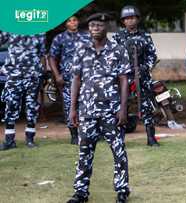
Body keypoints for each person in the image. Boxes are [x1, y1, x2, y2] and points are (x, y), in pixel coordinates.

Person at [66, 13, 131, 203]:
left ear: (106, 28)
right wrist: (72, 109)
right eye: (92, 25)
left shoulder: (118, 50)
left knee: (118, 151)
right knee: (84, 151)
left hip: (111, 110)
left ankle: (122, 190)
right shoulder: (81, 50)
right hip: (87, 110)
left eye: (99, 25)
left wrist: (123, 108)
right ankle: (80, 192)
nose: (95, 28)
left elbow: (124, 80)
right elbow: (76, 79)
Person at [112, 5, 159, 147]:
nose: (130, 21)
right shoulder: (117, 37)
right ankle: (119, 139)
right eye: (127, 19)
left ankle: (151, 138)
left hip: (142, 75)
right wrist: (120, 70)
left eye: (132, 18)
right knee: (121, 106)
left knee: (146, 107)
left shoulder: (145, 36)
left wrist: (145, 68)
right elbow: (112, 56)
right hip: (123, 77)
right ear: (123, 21)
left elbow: (152, 55)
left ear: (137, 19)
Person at [0, 31, 46, 150]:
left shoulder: (39, 31)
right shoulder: (9, 28)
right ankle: (9, 140)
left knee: (31, 107)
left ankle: (30, 139)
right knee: (11, 106)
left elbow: (42, 54)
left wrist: (42, 74)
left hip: (33, 75)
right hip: (14, 75)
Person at [49, 15, 90, 145]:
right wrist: (57, 76)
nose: (73, 22)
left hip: (85, 77)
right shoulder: (59, 38)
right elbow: (52, 58)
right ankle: (73, 135)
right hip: (68, 79)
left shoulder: (86, 36)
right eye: (70, 20)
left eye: (75, 20)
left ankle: (89, 133)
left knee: (87, 105)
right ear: (65, 24)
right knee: (69, 106)